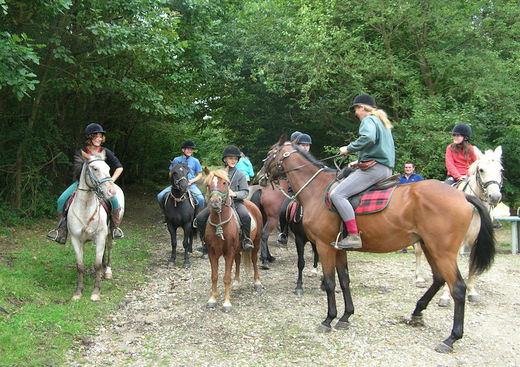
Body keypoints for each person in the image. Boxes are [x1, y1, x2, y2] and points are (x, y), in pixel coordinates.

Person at [330, 94, 395, 250]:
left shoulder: (368, 120)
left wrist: (348, 148)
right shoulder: (381, 122)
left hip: (374, 170)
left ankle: (353, 236)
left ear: (362, 108)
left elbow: (368, 138)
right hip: (385, 168)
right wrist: (358, 162)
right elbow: (379, 148)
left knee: (337, 194)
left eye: (356, 109)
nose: (355, 113)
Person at [46, 123, 124, 243]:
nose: (99, 139)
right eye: (96, 136)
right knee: (61, 200)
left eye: (100, 136)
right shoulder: (81, 152)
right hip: (83, 184)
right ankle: (61, 231)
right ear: (89, 137)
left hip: (102, 184)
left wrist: (111, 180)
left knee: (115, 201)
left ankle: (114, 228)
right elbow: (76, 172)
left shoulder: (105, 151)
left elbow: (119, 167)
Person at [195, 145, 253, 250]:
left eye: (236, 159)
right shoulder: (217, 173)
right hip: (218, 203)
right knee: (200, 218)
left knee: (245, 216)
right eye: (231, 158)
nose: (233, 161)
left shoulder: (240, 175)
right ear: (225, 159)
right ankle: (204, 242)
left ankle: (246, 240)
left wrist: (234, 194)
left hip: (236, 203)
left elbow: (245, 192)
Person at [277, 132, 312, 245]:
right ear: (297, 146)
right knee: (283, 211)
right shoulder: (291, 159)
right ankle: (284, 233)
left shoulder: (311, 160)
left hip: (310, 193)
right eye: (303, 145)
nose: (305, 147)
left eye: (307, 145)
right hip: (294, 192)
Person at [157, 140, 205, 212]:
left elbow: (200, 175)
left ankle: (198, 217)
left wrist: (191, 181)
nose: (190, 151)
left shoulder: (195, 161)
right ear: (183, 149)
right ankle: (164, 214)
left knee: (201, 199)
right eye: (188, 149)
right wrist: (175, 181)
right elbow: (170, 173)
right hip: (177, 185)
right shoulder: (176, 160)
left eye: (191, 149)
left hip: (190, 185)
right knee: (160, 196)